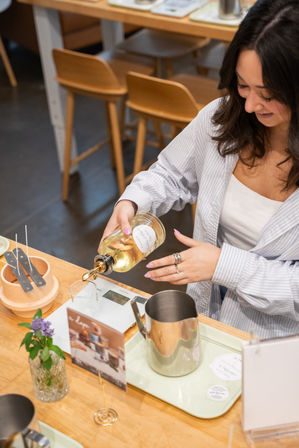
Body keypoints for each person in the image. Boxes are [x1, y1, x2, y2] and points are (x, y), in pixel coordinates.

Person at [100, 0, 299, 339]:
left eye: (267, 94)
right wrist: (131, 203)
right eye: (242, 84)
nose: (250, 105)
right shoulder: (224, 117)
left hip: (280, 344)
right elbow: (169, 174)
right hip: (207, 320)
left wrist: (224, 266)